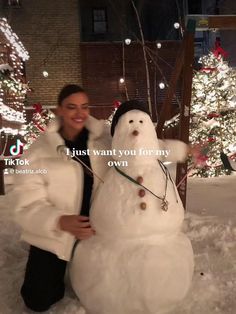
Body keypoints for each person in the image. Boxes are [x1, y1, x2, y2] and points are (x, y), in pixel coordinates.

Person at [12, 84, 111, 312]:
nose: (80, 113)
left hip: (96, 230)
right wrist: (60, 221)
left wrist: (181, 151)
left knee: (106, 289)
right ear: (59, 111)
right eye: (71, 107)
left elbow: (138, 150)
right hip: (57, 232)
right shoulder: (37, 154)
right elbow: (26, 207)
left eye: (84, 107)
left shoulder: (102, 142)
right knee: (38, 299)